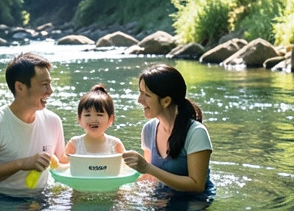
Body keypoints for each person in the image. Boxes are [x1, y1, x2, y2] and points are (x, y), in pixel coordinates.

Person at [0, 52, 66, 191]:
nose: (51, 91)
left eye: (50, 84)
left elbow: (60, 166)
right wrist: (22, 164)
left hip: (40, 198)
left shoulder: (53, 121)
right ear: (20, 87)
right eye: (44, 85)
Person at [122, 64, 213, 193]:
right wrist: (127, 191)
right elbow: (149, 178)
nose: (139, 100)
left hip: (192, 202)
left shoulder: (196, 133)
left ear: (166, 101)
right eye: (140, 92)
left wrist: (148, 168)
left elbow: (197, 186)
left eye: (146, 95)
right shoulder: (148, 129)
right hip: (161, 198)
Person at [64, 84, 126, 156]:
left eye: (99, 115)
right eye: (87, 115)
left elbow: (126, 162)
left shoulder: (115, 144)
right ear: (79, 119)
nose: (93, 119)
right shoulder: (74, 144)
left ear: (110, 119)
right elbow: (63, 163)